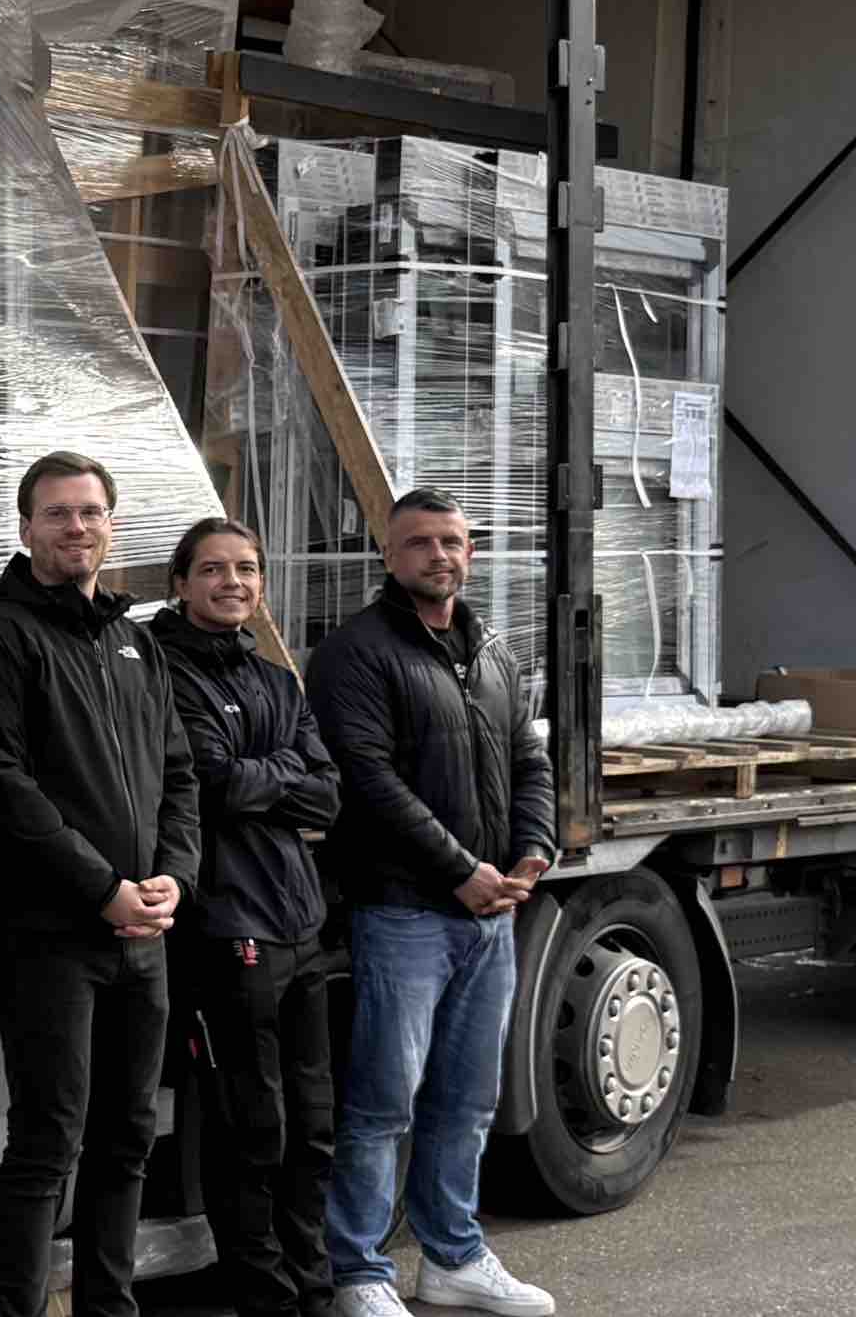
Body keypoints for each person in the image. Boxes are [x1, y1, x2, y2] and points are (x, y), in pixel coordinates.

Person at [0, 450, 202, 1317]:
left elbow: (178, 774)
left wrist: (173, 878)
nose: (76, 528)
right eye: (57, 514)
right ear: (26, 530)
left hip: (142, 929)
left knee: (128, 1134)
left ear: (111, 525)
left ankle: (108, 1306)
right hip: (49, 930)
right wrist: (102, 890)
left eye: (90, 512)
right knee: (49, 1139)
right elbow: (0, 790)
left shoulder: (135, 642)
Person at [305, 488, 557, 1317]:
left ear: (471, 552)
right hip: (406, 909)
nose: (438, 556)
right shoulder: (357, 652)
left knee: (467, 1097)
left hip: (489, 913)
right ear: (389, 555)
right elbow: (367, 781)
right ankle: (361, 1274)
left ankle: (452, 1255)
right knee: (382, 1101)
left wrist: (533, 849)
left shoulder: (492, 652)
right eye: (419, 543)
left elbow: (530, 759)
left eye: (452, 542)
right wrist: (459, 870)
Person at [149, 515, 343, 1317]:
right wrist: (283, 772)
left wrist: (272, 776)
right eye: (215, 569)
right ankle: (264, 1296)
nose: (234, 583)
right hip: (232, 927)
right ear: (182, 582)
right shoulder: (163, 674)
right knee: (254, 1126)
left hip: (301, 921)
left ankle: (317, 1286)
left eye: (248, 569)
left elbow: (328, 791)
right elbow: (209, 783)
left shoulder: (275, 678)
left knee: (315, 1124)